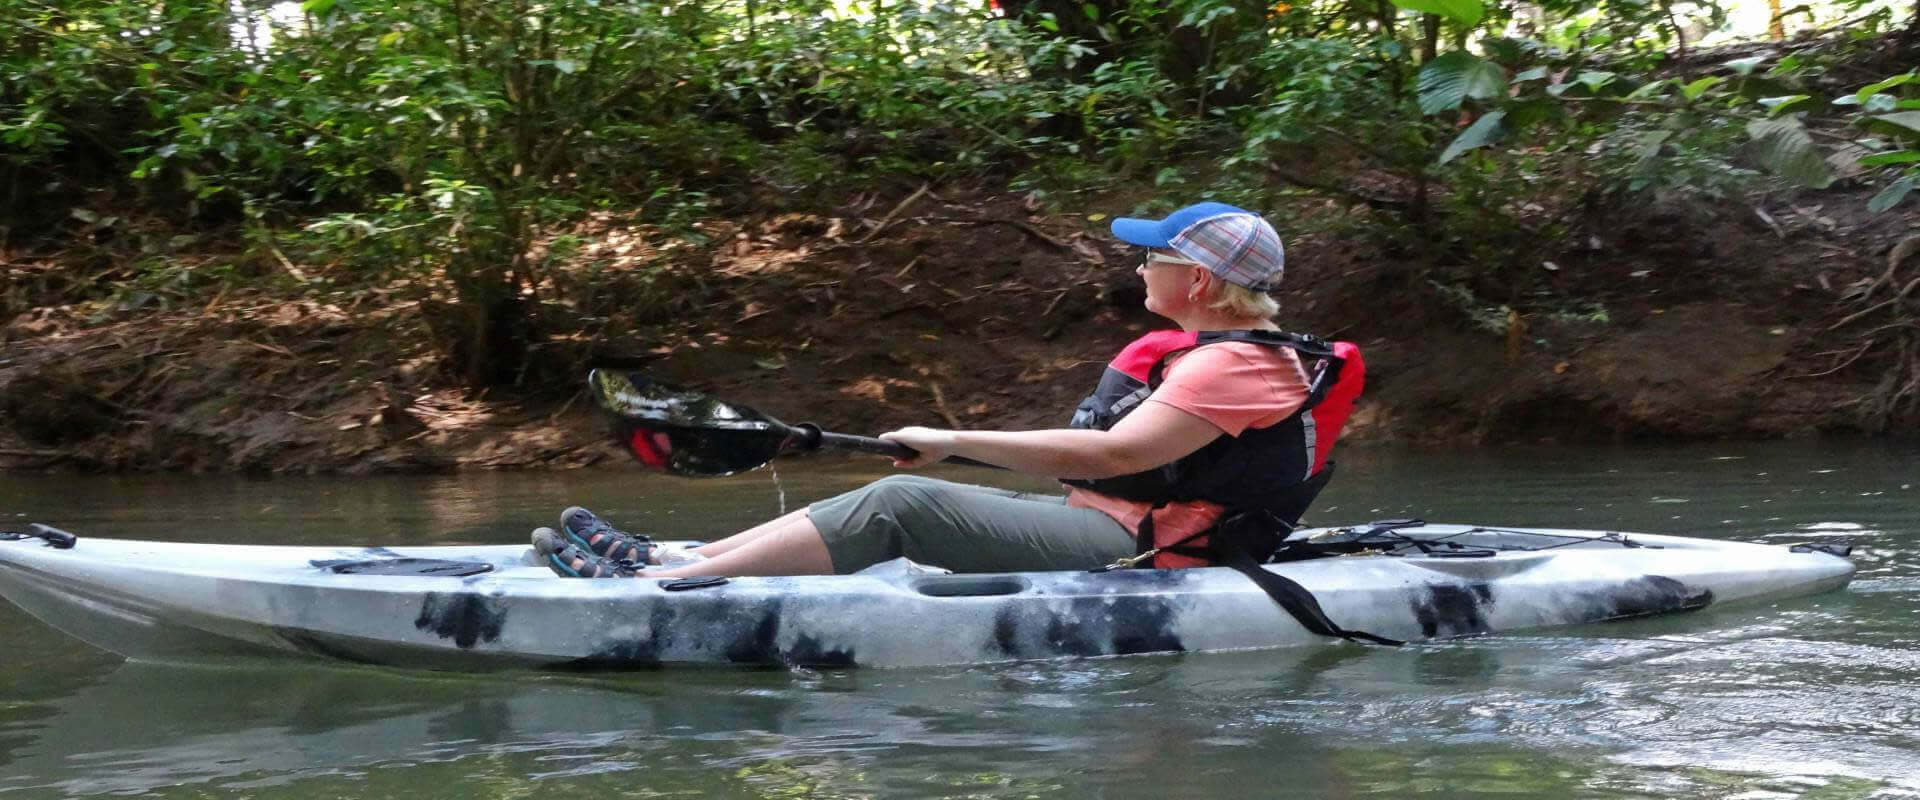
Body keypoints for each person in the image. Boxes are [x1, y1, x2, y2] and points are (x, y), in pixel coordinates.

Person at [533, 201, 1359, 579]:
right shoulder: (1214, 352)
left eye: (1158, 258)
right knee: (897, 492)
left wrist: (952, 438)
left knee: (908, 505)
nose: (1141, 267)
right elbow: (1112, 465)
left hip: (1145, 551)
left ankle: (661, 587)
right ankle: (682, 555)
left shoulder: (1240, 363)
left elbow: (1117, 452)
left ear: (1206, 282)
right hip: (1109, 523)